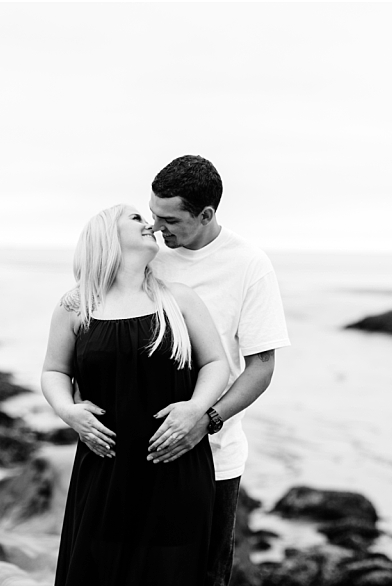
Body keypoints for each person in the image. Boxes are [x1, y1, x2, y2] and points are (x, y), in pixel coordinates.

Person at [77, 155, 291, 584]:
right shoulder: (150, 253)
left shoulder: (248, 265)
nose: (156, 228)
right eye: (152, 215)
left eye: (170, 219)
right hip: (133, 456)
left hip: (213, 456)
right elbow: (98, 321)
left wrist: (204, 419)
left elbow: (261, 367)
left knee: (202, 575)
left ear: (206, 214)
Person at [41, 203, 230, 585]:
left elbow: (216, 364)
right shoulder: (77, 305)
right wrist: (67, 410)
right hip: (105, 469)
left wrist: (196, 408)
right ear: (106, 235)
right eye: (136, 219)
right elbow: (53, 371)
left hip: (175, 467)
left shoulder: (178, 299)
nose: (150, 225)